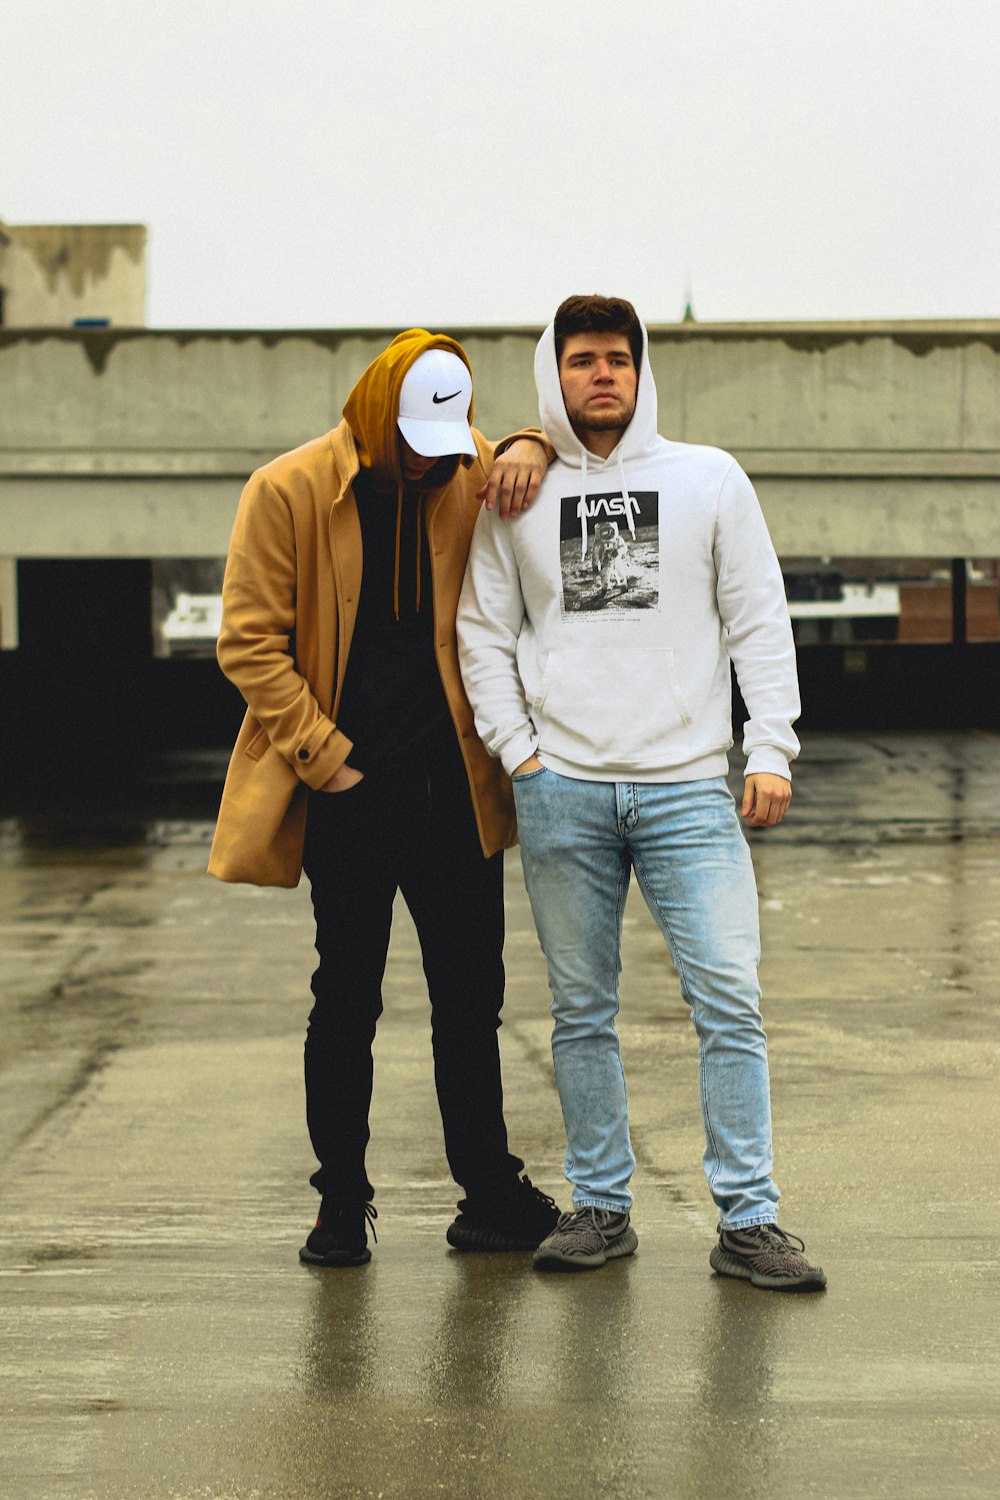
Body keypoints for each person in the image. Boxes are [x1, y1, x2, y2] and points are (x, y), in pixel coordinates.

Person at [457, 295, 826, 1289]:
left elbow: (758, 618)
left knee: (730, 1003)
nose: (603, 375)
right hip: (562, 791)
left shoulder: (708, 478)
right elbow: (483, 633)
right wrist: (519, 754)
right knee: (580, 1011)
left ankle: (749, 1220)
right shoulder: (516, 493)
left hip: (687, 793)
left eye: (618, 358)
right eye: (582, 360)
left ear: (640, 368)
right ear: (556, 373)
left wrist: (771, 750)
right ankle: (600, 1208)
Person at [209, 329, 560, 1266]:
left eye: (447, 447)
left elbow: (541, 455)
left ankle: (486, 1191)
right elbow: (248, 644)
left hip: (457, 793)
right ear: (374, 417)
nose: (429, 463)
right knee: (346, 999)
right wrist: (327, 759)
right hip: (348, 796)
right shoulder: (285, 491)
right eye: (412, 443)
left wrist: (529, 441)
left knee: (470, 1000)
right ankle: (340, 1202)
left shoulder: (465, 465)